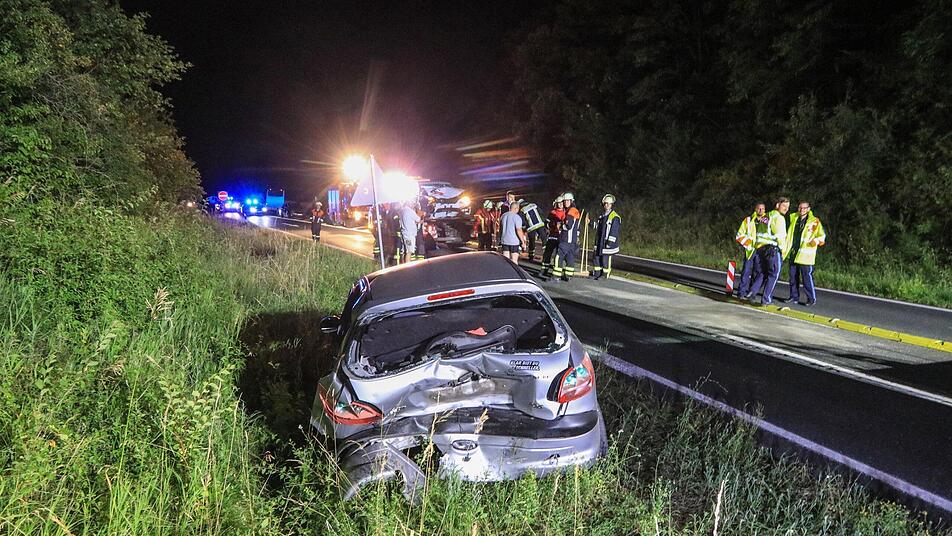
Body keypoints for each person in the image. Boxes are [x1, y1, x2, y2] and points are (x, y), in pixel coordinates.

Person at [781, 201, 826, 306]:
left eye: (804, 208)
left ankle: (811, 299)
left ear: (808, 209)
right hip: (793, 252)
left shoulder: (814, 221)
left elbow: (822, 236)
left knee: (806, 278)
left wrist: (815, 241)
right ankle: (794, 297)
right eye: (800, 208)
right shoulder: (794, 218)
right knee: (793, 277)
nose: (802, 210)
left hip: (806, 256)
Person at [748, 197, 790, 305]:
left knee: (763, 273)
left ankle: (752, 292)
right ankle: (766, 299)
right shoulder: (779, 218)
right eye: (784, 206)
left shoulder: (766, 216)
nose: (786, 209)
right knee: (774, 275)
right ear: (777, 205)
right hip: (772, 250)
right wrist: (783, 252)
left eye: (788, 207)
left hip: (760, 249)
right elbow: (780, 237)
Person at [735, 202, 766, 300]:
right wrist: (749, 243)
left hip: (761, 251)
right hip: (750, 250)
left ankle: (751, 293)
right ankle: (741, 292)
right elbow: (739, 235)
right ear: (755, 209)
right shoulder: (748, 220)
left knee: (758, 272)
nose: (761, 210)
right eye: (759, 208)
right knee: (746, 271)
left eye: (762, 209)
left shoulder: (767, 221)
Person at [552, 193, 581, 282]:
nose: (566, 202)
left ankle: (556, 276)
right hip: (572, 241)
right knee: (569, 258)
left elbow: (568, 226)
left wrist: (560, 226)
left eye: (568, 201)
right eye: (565, 201)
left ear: (571, 201)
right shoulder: (575, 211)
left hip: (565, 240)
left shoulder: (570, 211)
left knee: (558, 257)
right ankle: (568, 275)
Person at [591, 194, 621, 280]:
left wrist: (609, 243)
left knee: (605, 259)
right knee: (597, 257)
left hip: (607, 242)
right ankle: (597, 273)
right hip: (600, 241)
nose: (607, 205)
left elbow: (614, 231)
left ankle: (605, 275)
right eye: (606, 203)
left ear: (612, 205)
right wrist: (590, 223)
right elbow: (598, 227)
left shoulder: (614, 217)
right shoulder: (602, 216)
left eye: (609, 204)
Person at [540, 195, 564, 277]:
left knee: (558, 255)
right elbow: (546, 223)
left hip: (561, 237)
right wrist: (553, 225)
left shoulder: (566, 213)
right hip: (552, 236)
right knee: (547, 253)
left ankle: (556, 272)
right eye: (559, 203)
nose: (560, 204)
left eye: (561, 203)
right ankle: (544, 269)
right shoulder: (552, 212)